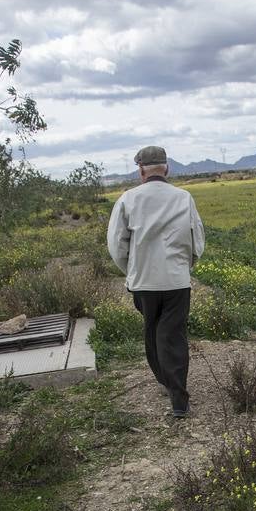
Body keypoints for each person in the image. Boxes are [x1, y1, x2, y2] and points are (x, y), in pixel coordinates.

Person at [107, 145, 205, 418]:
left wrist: (132, 269)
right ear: (167, 168)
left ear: (140, 170)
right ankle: (177, 395)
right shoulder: (184, 197)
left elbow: (117, 243)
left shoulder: (128, 199)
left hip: (143, 282)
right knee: (172, 334)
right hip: (176, 281)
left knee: (153, 331)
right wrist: (186, 266)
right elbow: (197, 238)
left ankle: (167, 382)